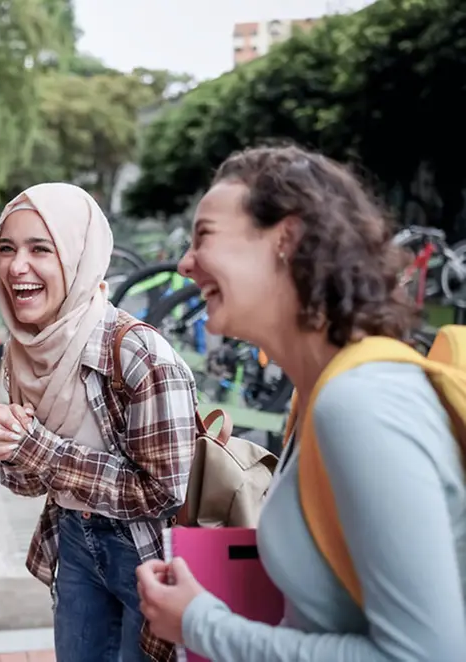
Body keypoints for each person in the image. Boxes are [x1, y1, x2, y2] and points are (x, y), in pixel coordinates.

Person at [136, 145, 466, 660]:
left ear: (286, 240)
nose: (185, 263)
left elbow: (425, 656)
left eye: (204, 237)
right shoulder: (316, 395)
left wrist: (199, 624)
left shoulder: (361, 404)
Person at [0, 183, 198, 662]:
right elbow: (25, 483)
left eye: (41, 249)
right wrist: (9, 445)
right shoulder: (23, 349)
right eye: (7, 249)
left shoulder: (138, 355)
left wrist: (34, 447)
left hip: (144, 551)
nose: (17, 267)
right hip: (73, 539)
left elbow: (163, 492)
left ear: (79, 255)